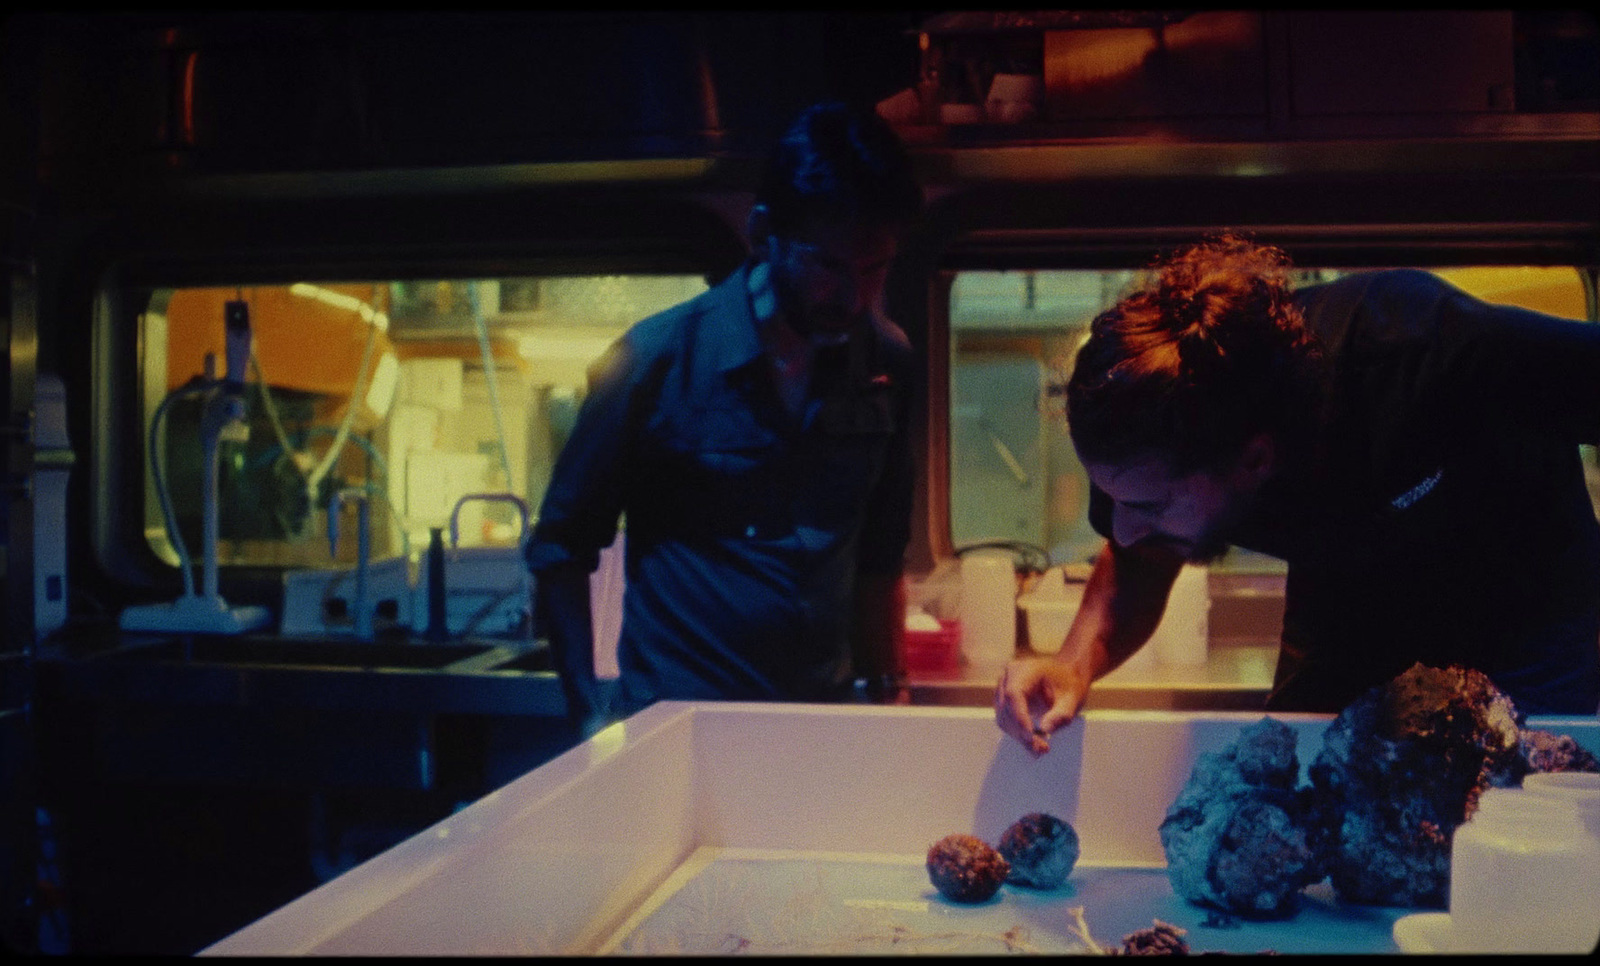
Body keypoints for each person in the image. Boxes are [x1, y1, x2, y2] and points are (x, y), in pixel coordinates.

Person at [996, 233, 1600, 756]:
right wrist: (1071, 664)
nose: (1123, 527)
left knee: (1520, 822)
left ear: (1254, 459)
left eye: (1148, 508)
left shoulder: (1419, 345)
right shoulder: (1151, 434)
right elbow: (1136, 559)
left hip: (1529, 611)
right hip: (1345, 603)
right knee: (1289, 809)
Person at [525, 101, 925, 732]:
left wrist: (890, 688)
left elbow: (881, 556)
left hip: (825, 731)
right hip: (677, 728)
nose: (854, 298)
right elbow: (560, 548)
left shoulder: (888, 363)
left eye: (875, 269)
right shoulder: (653, 360)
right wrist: (586, 715)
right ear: (764, 234)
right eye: (829, 267)